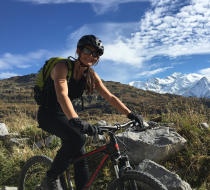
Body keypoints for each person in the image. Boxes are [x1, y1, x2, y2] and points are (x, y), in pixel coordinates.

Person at [37, 35, 144, 190]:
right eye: (88, 51)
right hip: (48, 114)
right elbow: (62, 95)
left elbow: (110, 96)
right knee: (78, 138)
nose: (91, 56)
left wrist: (130, 114)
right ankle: (51, 177)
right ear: (78, 51)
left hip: (65, 115)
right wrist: (76, 120)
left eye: (96, 54)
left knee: (81, 160)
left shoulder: (91, 75)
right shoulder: (62, 67)